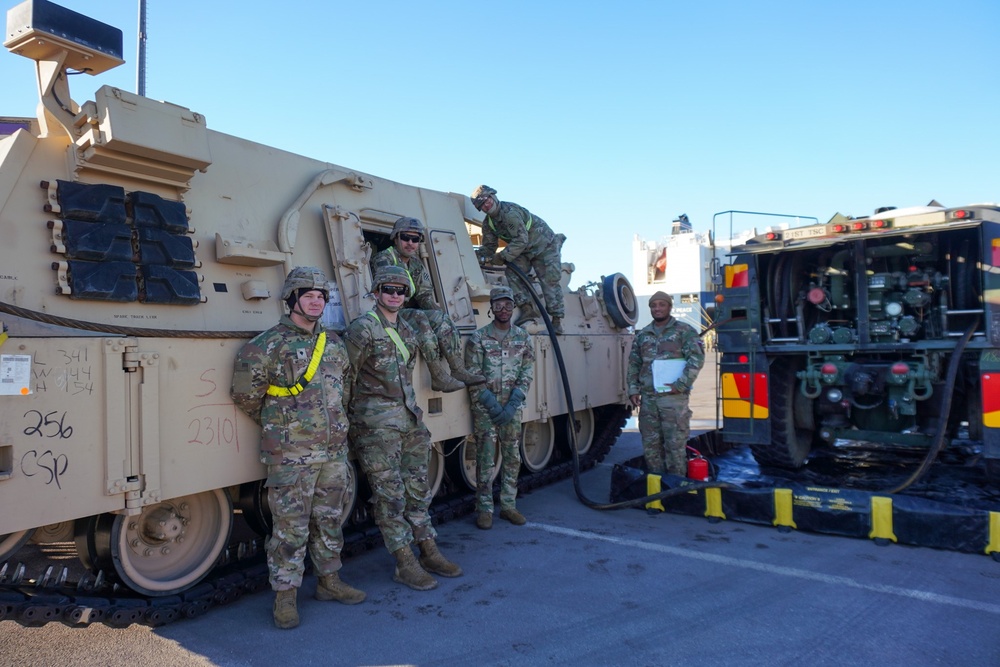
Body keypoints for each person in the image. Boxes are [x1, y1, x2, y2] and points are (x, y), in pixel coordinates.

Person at [231, 266, 364, 630]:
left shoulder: (334, 344)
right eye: (308, 296)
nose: (316, 302)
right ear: (291, 300)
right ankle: (285, 597)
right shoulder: (264, 346)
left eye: (321, 297)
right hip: (291, 456)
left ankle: (329, 582)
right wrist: (285, 426)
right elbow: (245, 396)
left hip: (333, 451)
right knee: (290, 527)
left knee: (330, 519)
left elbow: (344, 391)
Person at [345, 264, 463, 591]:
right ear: (376, 292)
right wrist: (350, 421)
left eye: (400, 291)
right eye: (388, 289)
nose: (395, 296)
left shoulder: (408, 330)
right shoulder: (362, 329)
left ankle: (428, 549)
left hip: (409, 420)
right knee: (389, 496)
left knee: (417, 489)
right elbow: (346, 378)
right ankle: (405, 562)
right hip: (375, 426)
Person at [371, 216, 484, 392]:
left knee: (440, 316)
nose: (410, 243)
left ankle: (458, 369)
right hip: (389, 311)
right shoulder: (384, 259)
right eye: (406, 238)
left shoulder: (415, 264)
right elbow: (392, 293)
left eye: (415, 239)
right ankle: (438, 376)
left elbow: (424, 295)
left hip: (406, 313)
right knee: (420, 316)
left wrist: (438, 317)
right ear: (395, 238)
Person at [464, 286, 535, 530]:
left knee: (512, 457)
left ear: (513, 307)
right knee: (485, 458)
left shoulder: (523, 338)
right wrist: (492, 405)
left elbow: (527, 371)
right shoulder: (478, 338)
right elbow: (472, 375)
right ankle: (484, 508)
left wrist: (513, 402)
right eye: (497, 305)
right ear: (491, 308)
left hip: (512, 407)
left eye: (507, 305)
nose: (503, 310)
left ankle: (508, 506)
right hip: (486, 408)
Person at [625, 291, 705, 476]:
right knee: (651, 446)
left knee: (675, 445)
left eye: (662, 304)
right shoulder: (643, 335)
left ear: (669, 307)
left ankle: (676, 487)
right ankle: (657, 486)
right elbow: (634, 364)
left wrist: (682, 384)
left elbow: (696, 358)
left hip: (673, 399)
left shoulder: (684, 331)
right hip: (649, 399)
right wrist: (633, 389)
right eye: (654, 305)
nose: (657, 308)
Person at [470, 185, 566, 335]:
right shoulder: (489, 224)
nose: (486, 205)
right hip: (525, 250)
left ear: (493, 197)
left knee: (549, 280)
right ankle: (528, 309)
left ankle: (557, 320)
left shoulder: (510, 213)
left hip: (545, 245)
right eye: (482, 205)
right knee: (513, 273)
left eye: (487, 200)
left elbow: (521, 239)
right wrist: (477, 256)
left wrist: (501, 257)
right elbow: (489, 247)